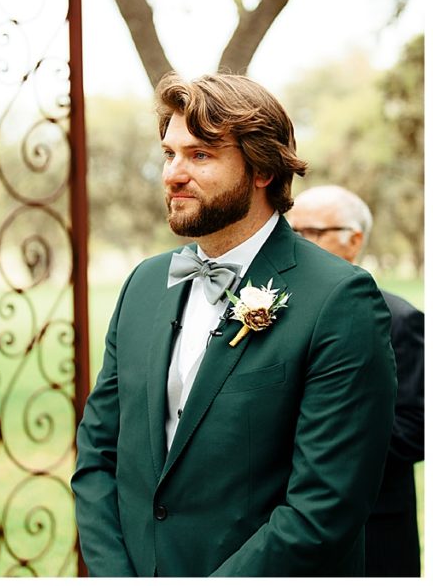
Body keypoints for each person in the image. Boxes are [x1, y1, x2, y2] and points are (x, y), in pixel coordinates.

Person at [72, 73, 397, 576]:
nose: (173, 174)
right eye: (169, 154)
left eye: (200, 155)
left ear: (262, 169)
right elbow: (97, 455)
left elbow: (324, 509)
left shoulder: (340, 299)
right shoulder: (144, 284)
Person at [287, 185, 423, 578]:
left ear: (354, 240)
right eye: (290, 232)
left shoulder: (400, 319)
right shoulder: (275, 313)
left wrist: (321, 440)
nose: (297, 244)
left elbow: (416, 428)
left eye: (310, 233)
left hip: (373, 524)